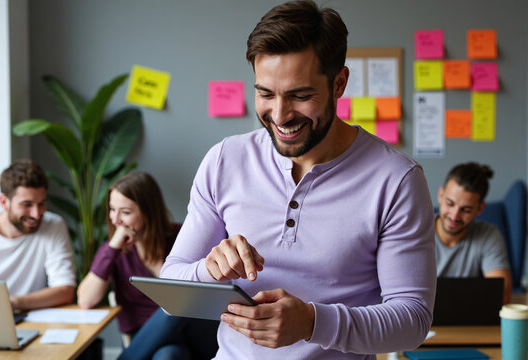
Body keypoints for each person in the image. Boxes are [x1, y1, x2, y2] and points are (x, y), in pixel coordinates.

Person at [160, 1, 436, 358]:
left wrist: (311, 322)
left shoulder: (397, 180)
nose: (279, 115)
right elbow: (169, 293)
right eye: (265, 93)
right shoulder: (224, 160)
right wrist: (208, 270)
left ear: (339, 83)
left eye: (300, 95)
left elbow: (412, 322)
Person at [77, 172, 218, 359]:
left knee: (177, 303)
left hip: (191, 334)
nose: (115, 219)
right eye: (112, 209)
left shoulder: (183, 238)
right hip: (146, 340)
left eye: (125, 212)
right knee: (168, 356)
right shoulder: (113, 251)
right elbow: (85, 300)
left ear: (148, 211)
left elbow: (200, 296)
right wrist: (112, 249)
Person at [0, 159, 75, 311]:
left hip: (31, 320)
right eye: (26, 205)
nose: (36, 214)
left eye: (41, 203)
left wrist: (13, 303)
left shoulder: (53, 225)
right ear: (4, 202)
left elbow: (65, 290)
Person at [435, 162, 512, 304]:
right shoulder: (414, 231)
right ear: (441, 195)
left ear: (480, 209)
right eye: (450, 204)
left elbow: (502, 293)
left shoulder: (488, 235)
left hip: (470, 324)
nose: (454, 216)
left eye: (466, 210)